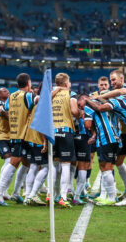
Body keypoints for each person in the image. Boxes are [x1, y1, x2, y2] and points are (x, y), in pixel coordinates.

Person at [0, 73, 37, 206]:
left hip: (15, 133)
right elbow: (37, 103)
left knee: (26, 163)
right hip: (23, 134)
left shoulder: (11, 97)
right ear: (28, 83)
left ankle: (16, 193)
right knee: (14, 162)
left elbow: (6, 110)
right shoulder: (28, 96)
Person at [93, 70, 126, 200]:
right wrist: (97, 97)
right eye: (111, 80)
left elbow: (119, 93)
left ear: (122, 79)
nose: (112, 83)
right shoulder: (114, 95)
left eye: (113, 80)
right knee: (118, 162)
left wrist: (101, 95)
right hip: (123, 132)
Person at [78, 94, 120, 206]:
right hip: (115, 137)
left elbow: (87, 124)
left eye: (79, 104)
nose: (80, 108)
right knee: (109, 168)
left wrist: (84, 119)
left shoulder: (88, 106)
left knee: (104, 168)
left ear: (83, 99)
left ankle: (111, 198)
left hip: (105, 139)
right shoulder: (105, 104)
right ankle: (108, 196)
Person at [48, 73, 79, 208]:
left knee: (54, 165)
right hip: (65, 131)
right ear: (66, 83)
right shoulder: (70, 94)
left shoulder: (50, 94)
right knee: (66, 165)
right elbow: (74, 111)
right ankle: (63, 196)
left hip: (52, 132)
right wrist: (80, 114)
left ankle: (50, 194)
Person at [87, 76, 110, 190]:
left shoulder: (112, 96)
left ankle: (107, 188)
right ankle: (87, 182)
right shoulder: (92, 96)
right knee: (90, 157)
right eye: (101, 85)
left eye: (105, 85)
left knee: (108, 162)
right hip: (95, 132)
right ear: (98, 85)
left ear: (108, 85)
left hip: (109, 134)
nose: (103, 86)